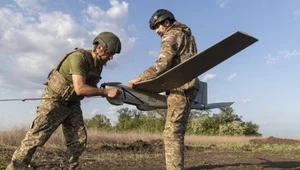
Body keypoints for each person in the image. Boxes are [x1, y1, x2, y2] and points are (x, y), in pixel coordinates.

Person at [6, 31, 122, 170]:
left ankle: (69, 167)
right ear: (99, 48)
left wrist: (104, 89)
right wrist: (106, 92)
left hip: (72, 104)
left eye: (112, 55)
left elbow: (89, 87)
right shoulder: (78, 58)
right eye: (109, 53)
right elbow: (80, 88)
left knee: (78, 140)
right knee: (35, 139)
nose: (111, 57)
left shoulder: (98, 65)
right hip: (54, 100)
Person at [128, 9, 200, 170]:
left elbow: (163, 63)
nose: (157, 31)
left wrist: (140, 78)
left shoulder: (171, 35)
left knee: (171, 134)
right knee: (177, 132)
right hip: (190, 86)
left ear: (166, 22)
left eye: (157, 27)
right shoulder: (187, 36)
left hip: (179, 88)